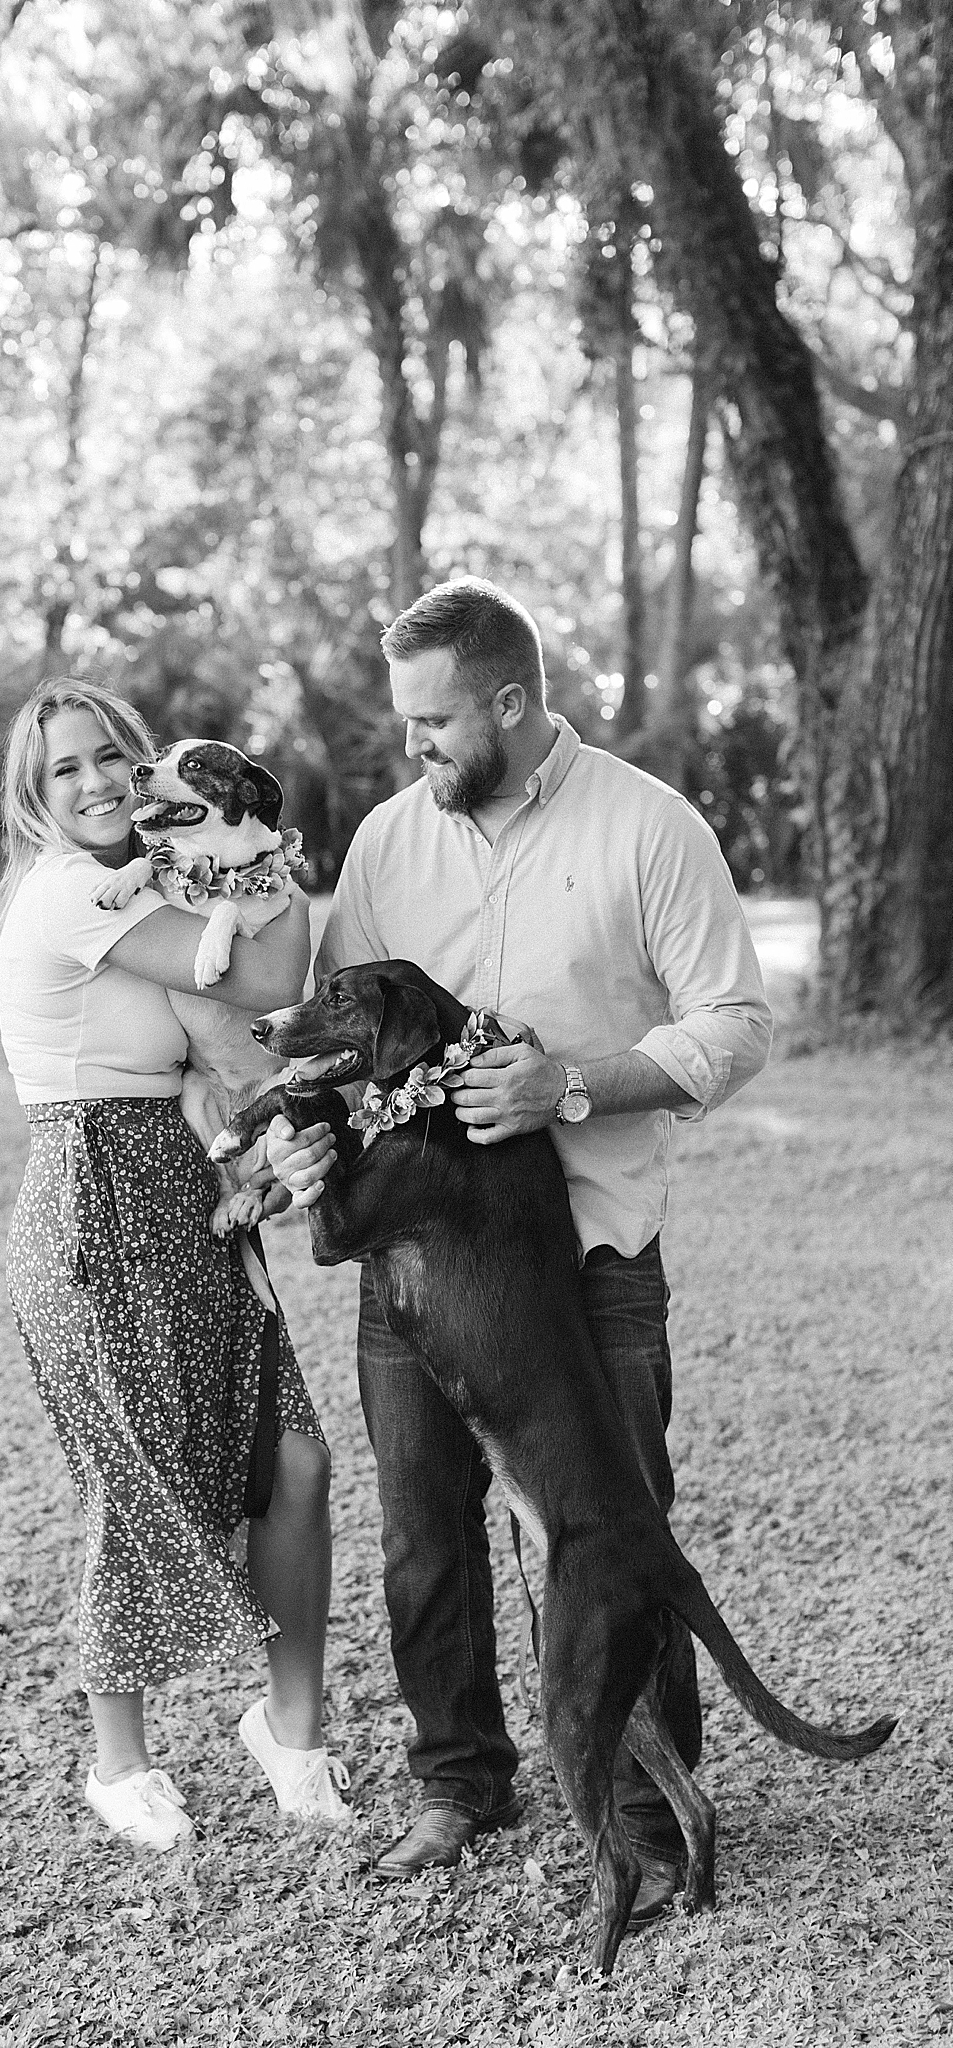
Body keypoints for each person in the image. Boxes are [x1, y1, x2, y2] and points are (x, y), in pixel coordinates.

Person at [267, 579, 771, 1914]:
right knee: (425, 1538)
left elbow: (734, 1026)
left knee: (610, 1533)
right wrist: (309, 1142)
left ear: (510, 702)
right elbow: (334, 1035)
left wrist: (574, 1086)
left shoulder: (649, 829)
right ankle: (458, 1782)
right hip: (418, 1271)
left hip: (594, 1262)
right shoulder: (388, 843)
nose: (415, 747)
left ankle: (644, 1819)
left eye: (436, 722)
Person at [0, 677, 349, 1852]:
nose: (92, 781)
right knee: (133, 1471)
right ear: (34, 798)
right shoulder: (65, 895)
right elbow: (252, 981)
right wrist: (268, 882)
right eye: (63, 770)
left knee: (292, 1457)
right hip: (93, 1197)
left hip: (187, 1183)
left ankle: (289, 1735)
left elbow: (250, 1015)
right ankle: (118, 1762)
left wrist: (253, 870)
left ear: (140, 767)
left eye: (108, 757)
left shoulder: (160, 876)